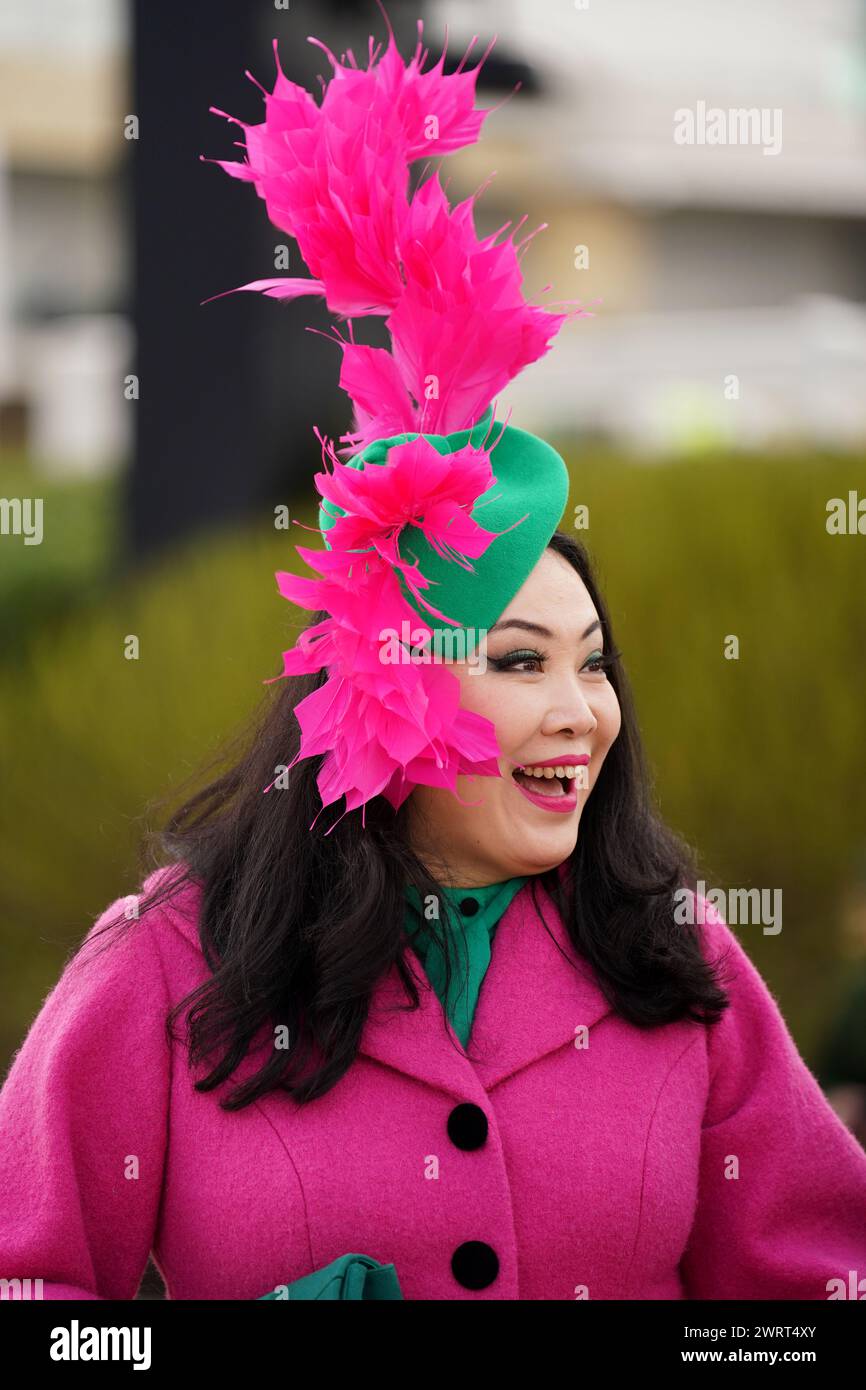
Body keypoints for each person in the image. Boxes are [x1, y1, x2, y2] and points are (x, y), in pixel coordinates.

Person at [2, 16, 866, 1303]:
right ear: (384, 677)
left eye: (593, 664)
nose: (582, 712)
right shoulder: (166, 965)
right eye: (520, 664)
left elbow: (815, 1295)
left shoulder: (680, 958)